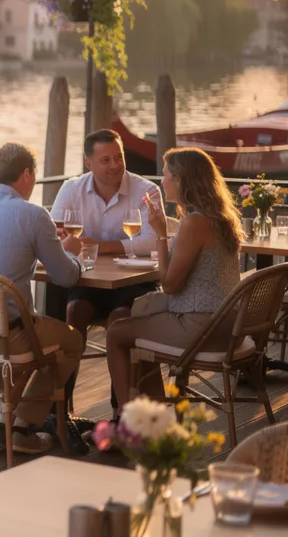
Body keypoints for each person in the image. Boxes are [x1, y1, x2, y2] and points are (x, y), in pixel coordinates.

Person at [0, 142, 88, 455]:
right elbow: (66, 277)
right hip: (6, 337)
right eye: (34, 174)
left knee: (29, 331)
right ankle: (22, 425)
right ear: (26, 174)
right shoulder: (33, 215)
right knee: (72, 341)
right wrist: (73, 252)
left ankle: (6, 416)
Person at [104, 148, 243, 407]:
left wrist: (160, 233)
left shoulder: (194, 223)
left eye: (166, 175)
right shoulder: (222, 218)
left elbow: (168, 285)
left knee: (115, 334)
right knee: (133, 324)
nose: (161, 181)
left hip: (202, 328)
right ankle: (156, 416)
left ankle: (125, 423)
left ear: (181, 180)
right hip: (229, 325)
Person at [48, 129, 163, 414]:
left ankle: (118, 411)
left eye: (119, 157)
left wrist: (98, 245)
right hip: (89, 280)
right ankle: (60, 410)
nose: (115, 165)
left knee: (118, 321)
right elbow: (53, 235)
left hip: (135, 281)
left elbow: (152, 241)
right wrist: (64, 239)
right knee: (74, 313)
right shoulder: (72, 189)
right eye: (106, 160)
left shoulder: (146, 190)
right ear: (89, 163)